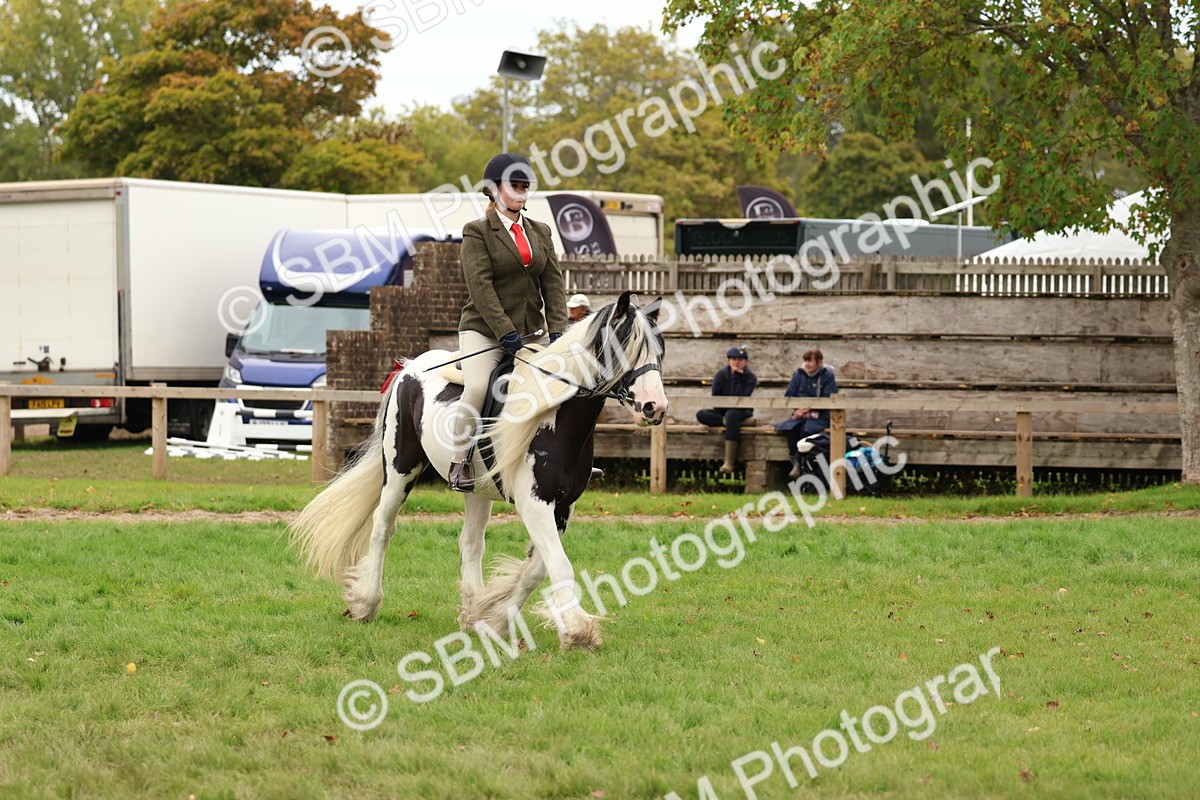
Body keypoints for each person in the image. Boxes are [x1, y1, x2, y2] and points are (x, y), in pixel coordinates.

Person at [449, 153, 567, 492]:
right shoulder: (477, 232)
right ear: (493, 190)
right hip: (484, 331)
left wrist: (558, 330)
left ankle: (565, 458)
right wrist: (505, 333)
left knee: (561, 386)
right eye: (515, 185)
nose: (522, 191)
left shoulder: (541, 232)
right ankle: (460, 461)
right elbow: (481, 288)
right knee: (477, 388)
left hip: (531, 333)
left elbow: (554, 285)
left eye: (525, 185)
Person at [696, 345, 757, 474]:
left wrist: (736, 377)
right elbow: (716, 399)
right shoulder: (720, 375)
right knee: (702, 414)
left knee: (732, 414)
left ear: (745, 361)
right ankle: (738, 422)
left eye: (740, 359)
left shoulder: (750, 377)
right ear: (729, 360)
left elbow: (742, 397)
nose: (737, 362)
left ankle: (729, 462)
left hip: (742, 411)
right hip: (723, 411)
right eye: (734, 359)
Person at [780, 347, 839, 479]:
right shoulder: (798, 375)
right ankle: (794, 461)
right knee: (792, 429)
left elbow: (828, 397)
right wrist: (798, 409)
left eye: (810, 361)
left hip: (820, 415)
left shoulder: (827, 376)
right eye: (806, 361)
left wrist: (809, 408)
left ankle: (801, 463)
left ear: (819, 362)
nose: (807, 364)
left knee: (807, 430)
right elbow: (789, 395)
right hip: (799, 414)